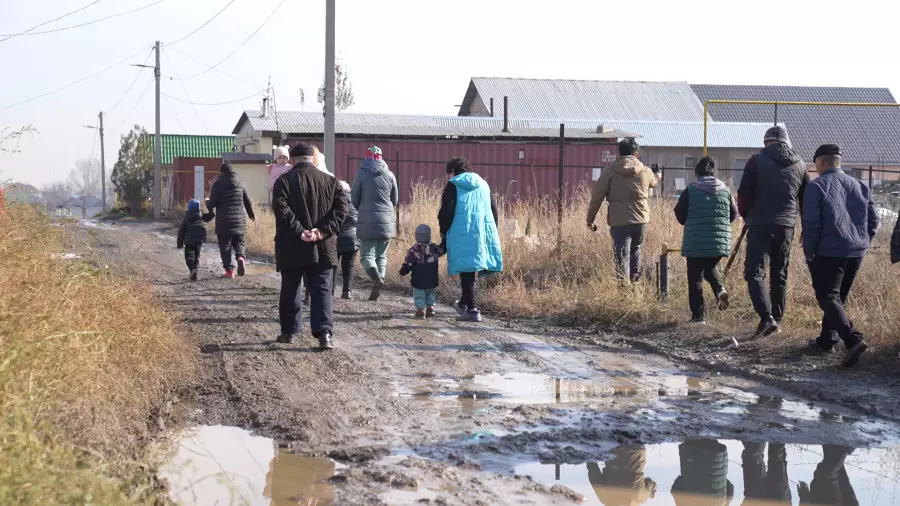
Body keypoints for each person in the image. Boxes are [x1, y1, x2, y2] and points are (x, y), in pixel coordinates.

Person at [803, 144, 877, 367]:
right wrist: (863, 242)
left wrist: (810, 251)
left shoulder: (817, 187)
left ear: (821, 163)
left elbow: (812, 223)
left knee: (827, 297)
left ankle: (853, 339)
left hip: (828, 250)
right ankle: (827, 340)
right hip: (856, 251)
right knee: (837, 298)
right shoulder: (860, 185)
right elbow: (874, 220)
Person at [272, 143, 348, 350]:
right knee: (322, 289)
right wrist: (321, 231)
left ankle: (289, 332)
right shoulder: (332, 182)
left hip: (291, 245)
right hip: (323, 246)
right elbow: (342, 211)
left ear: (293, 160)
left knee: (291, 288)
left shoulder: (283, 181)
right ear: (314, 159)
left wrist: (300, 231)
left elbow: (281, 209)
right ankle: (325, 335)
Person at [738, 126, 810, 337]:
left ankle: (766, 318)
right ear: (786, 143)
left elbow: (743, 194)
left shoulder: (756, 160)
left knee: (755, 272)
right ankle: (777, 318)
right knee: (780, 273)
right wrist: (805, 227)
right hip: (787, 226)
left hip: (760, 224)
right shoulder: (801, 164)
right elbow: (806, 200)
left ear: (766, 142)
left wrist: (747, 215)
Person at [438, 156, 503, 322]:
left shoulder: (454, 184)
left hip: (461, 230)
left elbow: (447, 210)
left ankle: (472, 310)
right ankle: (463, 304)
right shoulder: (483, 183)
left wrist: (443, 230)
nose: (448, 177)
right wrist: (492, 230)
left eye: (448, 174)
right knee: (470, 268)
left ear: (453, 171)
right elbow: (494, 209)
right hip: (482, 230)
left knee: (466, 270)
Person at [674, 157, 738, 323]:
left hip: (695, 241)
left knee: (695, 278)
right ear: (713, 172)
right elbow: (733, 214)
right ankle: (719, 289)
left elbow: (680, 214)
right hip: (719, 242)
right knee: (709, 267)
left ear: (697, 173)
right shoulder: (725, 190)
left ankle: (698, 316)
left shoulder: (691, 189)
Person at [587, 138, 659, 283]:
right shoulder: (645, 171)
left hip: (619, 222)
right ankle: (635, 287)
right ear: (636, 154)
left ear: (619, 153)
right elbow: (654, 182)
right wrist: (658, 176)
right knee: (635, 251)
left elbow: (597, 197)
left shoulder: (610, 172)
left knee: (622, 257)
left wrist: (590, 219)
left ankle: (623, 292)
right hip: (640, 221)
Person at [351, 146, 399, 301]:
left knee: (366, 255)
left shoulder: (361, 174)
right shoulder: (390, 175)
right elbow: (395, 200)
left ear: (367, 157)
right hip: (387, 221)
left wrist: (363, 209)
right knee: (381, 256)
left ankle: (376, 279)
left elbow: (354, 199)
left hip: (367, 221)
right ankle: (381, 279)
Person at [206, 163, 256, 278]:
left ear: (221, 172)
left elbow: (212, 204)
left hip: (223, 221)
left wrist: (207, 201)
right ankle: (240, 257)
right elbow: (247, 202)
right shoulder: (240, 184)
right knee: (239, 242)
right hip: (239, 220)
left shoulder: (217, 185)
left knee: (225, 246)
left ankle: (229, 271)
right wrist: (251, 215)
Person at [399, 224, 446, 318]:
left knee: (419, 293)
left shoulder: (414, 249)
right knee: (430, 292)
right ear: (429, 235)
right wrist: (445, 240)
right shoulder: (434, 248)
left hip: (418, 279)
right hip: (432, 278)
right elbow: (443, 250)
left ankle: (421, 310)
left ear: (416, 235)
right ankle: (431, 307)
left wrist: (403, 271)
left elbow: (409, 263)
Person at [587, 445, 657, 506]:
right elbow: (592, 469)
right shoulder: (605, 498)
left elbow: (649, 481)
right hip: (613, 449)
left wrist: (651, 492)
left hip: (637, 449)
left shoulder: (641, 498)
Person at [335, 180, 358, 299]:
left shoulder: (333, 202)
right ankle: (347, 292)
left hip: (336, 238)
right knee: (349, 265)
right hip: (353, 238)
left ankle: (331, 290)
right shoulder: (355, 202)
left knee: (333, 265)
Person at [176, 199, 208, 281]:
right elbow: (204, 225)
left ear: (189, 207)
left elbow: (181, 231)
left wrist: (179, 243)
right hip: (199, 240)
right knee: (197, 256)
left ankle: (192, 269)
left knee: (189, 256)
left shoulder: (187, 217)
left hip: (189, 240)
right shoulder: (201, 215)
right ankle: (194, 272)